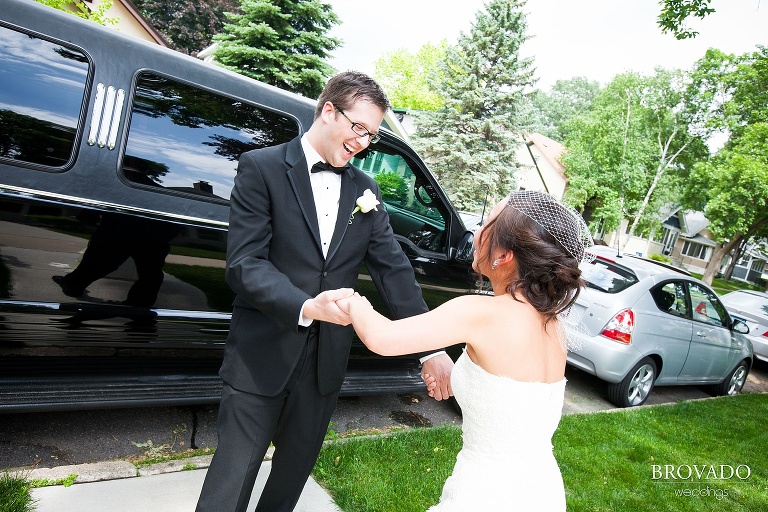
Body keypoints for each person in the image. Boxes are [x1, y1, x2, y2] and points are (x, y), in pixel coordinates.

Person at [194, 71, 454, 512]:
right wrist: (304, 305)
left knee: (291, 476)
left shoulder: (365, 191)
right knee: (232, 477)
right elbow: (244, 265)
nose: (364, 143)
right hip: (261, 355)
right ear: (328, 110)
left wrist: (430, 349)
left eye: (372, 135)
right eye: (360, 128)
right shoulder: (263, 167)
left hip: (324, 366)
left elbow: (394, 272)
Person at [337, 190, 594, 511]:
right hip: (540, 490)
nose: (475, 234)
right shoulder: (553, 326)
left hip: (486, 493)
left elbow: (382, 338)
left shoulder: (481, 312)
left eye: (486, 225)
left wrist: (350, 301)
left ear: (504, 255)